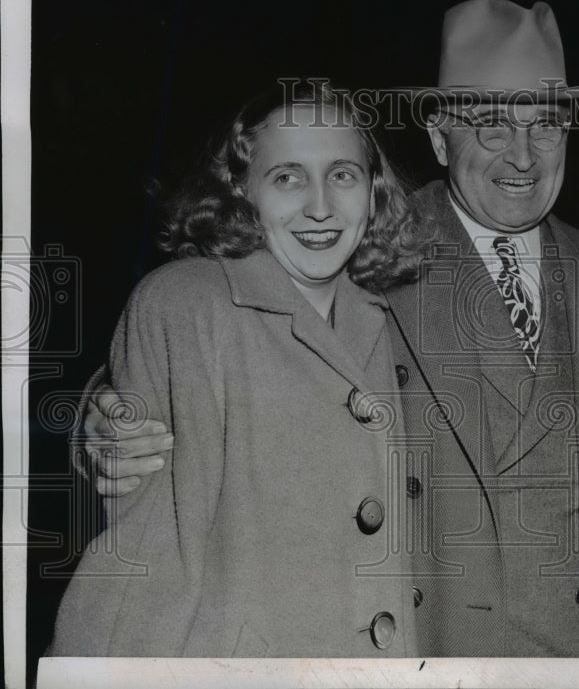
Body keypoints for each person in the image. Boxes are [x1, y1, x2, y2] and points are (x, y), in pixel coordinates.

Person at [76, 0, 579, 657]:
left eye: (545, 126)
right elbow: (220, 323)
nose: (524, 156)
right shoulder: (361, 241)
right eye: (492, 127)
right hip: (436, 650)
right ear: (439, 136)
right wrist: (108, 416)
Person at [50, 81, 429, 656]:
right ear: (239, 188)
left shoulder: (377, 310)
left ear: (373, 190)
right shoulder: (187, 301)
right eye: (288, 177)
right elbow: (148, 552)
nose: (321, 206)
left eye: (343, 175)